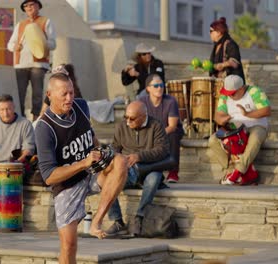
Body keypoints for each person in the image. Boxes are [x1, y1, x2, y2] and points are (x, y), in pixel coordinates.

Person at [35, 69, 128, 264]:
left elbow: (90, 135)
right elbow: (49, 177)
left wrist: (100, 151)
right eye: (64, 94)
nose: (69, 98)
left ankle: (97, 222)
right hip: (67, 184)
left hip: (91, 172)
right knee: (69, 247)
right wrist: (82, 163)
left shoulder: (81, 106)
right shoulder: (44, 128)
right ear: (49, 95)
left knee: (120, 161)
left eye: (71, 92)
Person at [105, 101, 169, 236]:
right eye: (126, 117)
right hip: (128, 170)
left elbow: (162, 150)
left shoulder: (156, 126)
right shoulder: (122, 126)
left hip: (149, 169)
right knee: (107, 181)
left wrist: (139, 156)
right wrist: (111, 156)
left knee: (153, 179)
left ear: (144, 116)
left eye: (132, 118)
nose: (128, 121)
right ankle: (118, 221)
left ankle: (139, 218)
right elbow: (115, 147)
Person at [208, 75, 271, 185]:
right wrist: (223, 120)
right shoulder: (224, 96)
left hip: (256, 125)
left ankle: (239, 171)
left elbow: (266, 110)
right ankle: (230, 170)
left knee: (255, 138)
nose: (229, 96)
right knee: (213, 140)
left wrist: (247, 114)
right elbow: (218, 115)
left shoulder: (255, 91)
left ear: (241, 88)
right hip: (234, 127)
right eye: (228, 93)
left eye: (232, 93)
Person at [7, 0, 56, 121]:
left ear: (38, 6)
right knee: (19, 94)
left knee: (37, 94)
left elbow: (53, 44)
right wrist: (15, 47)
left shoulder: (46, 21)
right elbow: (10, 44)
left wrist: (41, 41)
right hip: (21, 64)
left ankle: (36, 120)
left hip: (39, 64)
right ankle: (20, 119)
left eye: (31, 5)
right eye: (26, 6)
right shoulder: (20, 24)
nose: (29, 7)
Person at [139, 74, 184, 183]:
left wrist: (156, 135)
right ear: (148, 88)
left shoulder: (170, 101)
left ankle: (173, 172)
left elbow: (172, 126)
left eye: (161, 85)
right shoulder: (142, 102)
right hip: (150, 131)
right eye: (156, 86)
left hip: (169, 130)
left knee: (173, 136)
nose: (159, 88)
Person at [209, 17, 245, 82]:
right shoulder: (216, 46)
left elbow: (235, 63)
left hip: (233, 83)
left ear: (219, 32)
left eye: (211, 31)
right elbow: (213, 65)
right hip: (220, 82)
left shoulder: (230, 44)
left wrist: (222, 65)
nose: (210, 34)